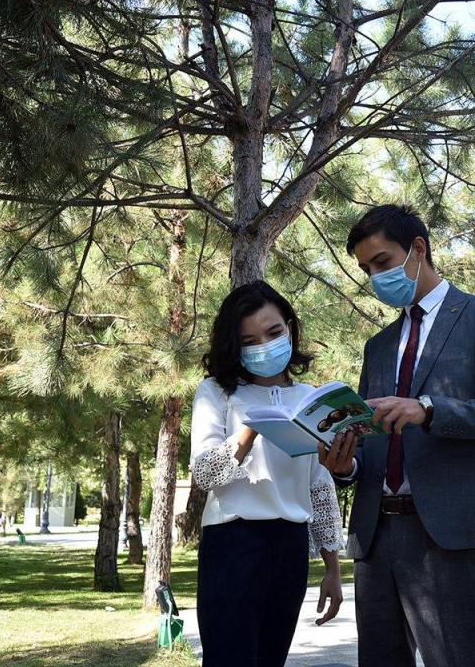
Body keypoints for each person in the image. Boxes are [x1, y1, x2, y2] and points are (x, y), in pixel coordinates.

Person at [319, 204, 475, 667]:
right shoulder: (379, 346)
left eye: (383, 262)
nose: (375, 278)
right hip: (376, 537)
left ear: (418, 248)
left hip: (447, 536)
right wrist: (346, 466)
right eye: (366, 270)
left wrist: (428, 409)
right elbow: (375, 435)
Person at [189, 280, 344, 667]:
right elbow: (204, 475)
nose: (264, 346)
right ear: (234, 344)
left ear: (289, 326)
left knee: (271, 659)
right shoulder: (217, 393)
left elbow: (319, 486)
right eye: (249, 340)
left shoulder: (310, 398)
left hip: (290, 547)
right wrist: (252, 428)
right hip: (233, 543)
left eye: (273, 333)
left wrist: (332, 569)